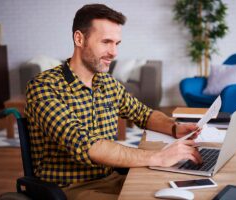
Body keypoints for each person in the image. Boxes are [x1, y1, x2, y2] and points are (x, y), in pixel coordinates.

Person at [25, 4, 202, 200]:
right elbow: (86, 144)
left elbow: (143, 114)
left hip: (112, 179)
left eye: (117, 43)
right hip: (71, 190)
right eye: (106, 42)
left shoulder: (107, 83)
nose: (114, 52)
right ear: (79, 38)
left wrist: (176, 128)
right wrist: (158, 157)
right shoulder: (43, 88)